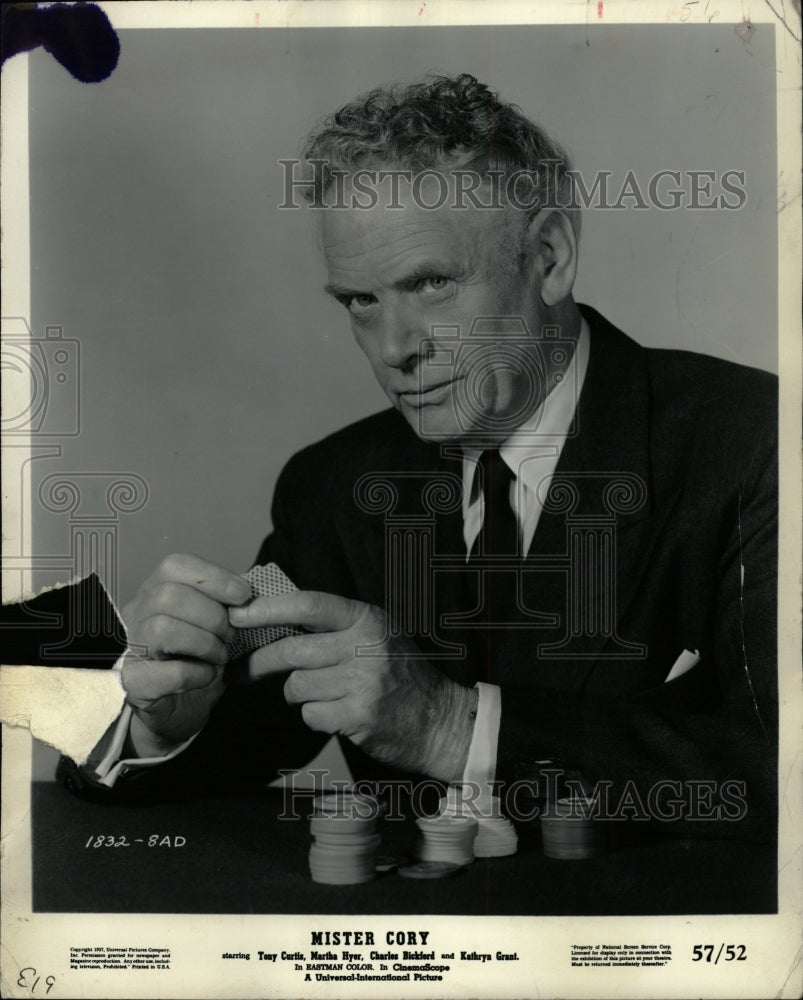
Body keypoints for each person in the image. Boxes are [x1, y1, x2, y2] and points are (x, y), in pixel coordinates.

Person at [60, 74, 777, 844]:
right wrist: (163, 719)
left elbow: (784, 775)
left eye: (431, 284)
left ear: (548, 257)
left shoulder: (757, 443)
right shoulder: (330, 487)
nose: (395, 349)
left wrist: (446, 728)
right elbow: (225, 751)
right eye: (359, 302)